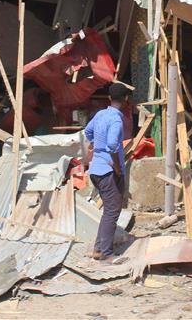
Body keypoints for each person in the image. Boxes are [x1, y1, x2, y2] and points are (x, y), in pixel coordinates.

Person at [84, 83, 130, 260]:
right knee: (112, 212)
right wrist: (117, 167)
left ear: (109, 98)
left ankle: (98, 249)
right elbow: (112, 145)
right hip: (108, 171)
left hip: (96, 169)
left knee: (108, 212)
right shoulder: (117, 120)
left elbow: (88, 132)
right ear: (126, 99)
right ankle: (106, 253)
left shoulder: (100, 115)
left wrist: (96, 146)